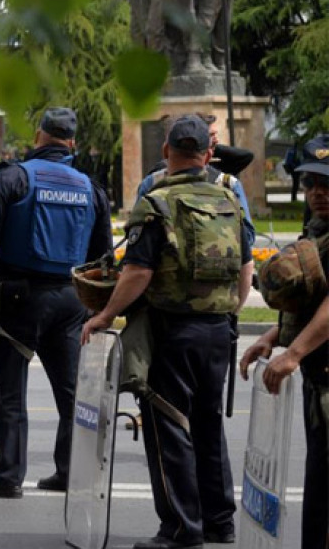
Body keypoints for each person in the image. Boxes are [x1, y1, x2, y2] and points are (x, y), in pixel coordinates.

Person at [83, 114, 253, 549]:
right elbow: (246, 269)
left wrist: (106, 316)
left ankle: (180, 529)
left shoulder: (156, 203)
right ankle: (219, 522)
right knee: (208, 426)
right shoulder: (229, 199)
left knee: (169, 426)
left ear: (166, 152)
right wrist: (228, 311)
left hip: (171, 331)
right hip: (218, 331)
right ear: (208, 153)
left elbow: (138, 271)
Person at [0, 107, 113, 497]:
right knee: (72, 392)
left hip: (19, 298)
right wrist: (93, 307)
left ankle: (8, 476)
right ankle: (69, 470)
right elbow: (103, 258)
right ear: (71, 142)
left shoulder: (15, 178)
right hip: (71, 301)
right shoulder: (91, 188)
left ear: (39, 135)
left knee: (9, 388)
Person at [240, 134, 329, 549]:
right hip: (319, 376)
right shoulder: (318, 229)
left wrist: (293, 353)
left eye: (327, 184)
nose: (318, 193)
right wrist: (274, 337)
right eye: (311, 183)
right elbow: (313, 299)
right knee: (319, 486)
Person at [140, 113, 255, 243]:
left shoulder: (151, 183)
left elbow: (137, 251)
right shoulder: (229, 185)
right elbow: (247, 241)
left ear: (166, 149)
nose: (216, 140)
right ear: (208, 154)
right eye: (211, 137)